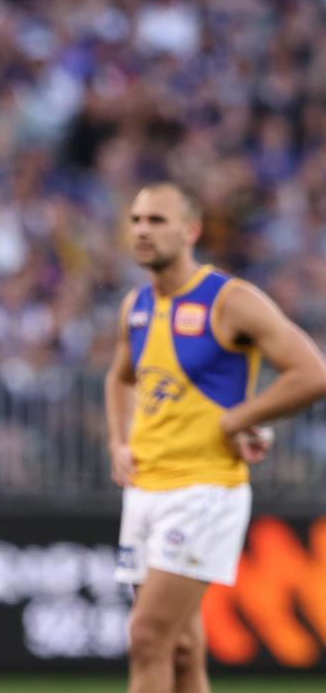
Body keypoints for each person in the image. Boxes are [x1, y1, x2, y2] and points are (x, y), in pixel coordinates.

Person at [104, 182, 326, 693]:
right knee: (180, 649)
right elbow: (119, 377)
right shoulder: (135, 306)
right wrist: (119, 441)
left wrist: (236, 419)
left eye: (157, 220)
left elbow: (311, 373)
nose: (142, 230)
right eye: (136, 219)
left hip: (203, 489)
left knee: (146, 637)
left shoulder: (229, 300)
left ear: (191, 230)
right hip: (146, 489)